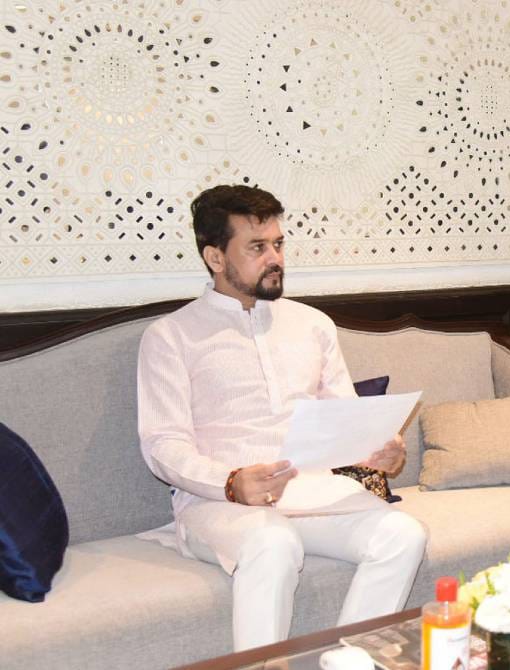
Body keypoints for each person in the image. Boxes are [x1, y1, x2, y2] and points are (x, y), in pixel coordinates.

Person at [137, 184, 427, 651]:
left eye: (278, 244)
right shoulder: (171, 336)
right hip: (218, 506)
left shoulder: (312, 324)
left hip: (312, 492)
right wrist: (232, 482)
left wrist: (381, 449)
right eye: (257, 247)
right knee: (274, 544)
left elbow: (344, 417)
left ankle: (347, 663)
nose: (275, 258)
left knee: (402, 534)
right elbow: (161, 445)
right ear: (215, 257)